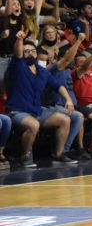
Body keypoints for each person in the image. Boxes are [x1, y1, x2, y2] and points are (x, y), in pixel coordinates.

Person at [6, 31, 77, 167]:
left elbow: (58, 86)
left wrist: (68, 99)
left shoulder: (42, 71)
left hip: (37, 110)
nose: (30, 53)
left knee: (65, 119)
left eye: (33, 51)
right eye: (26, 51)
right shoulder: (18, 66)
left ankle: (58, 154)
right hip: (18, 111)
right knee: (33, 125)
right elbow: (17, 53)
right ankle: (25, 157)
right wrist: (19, 40)